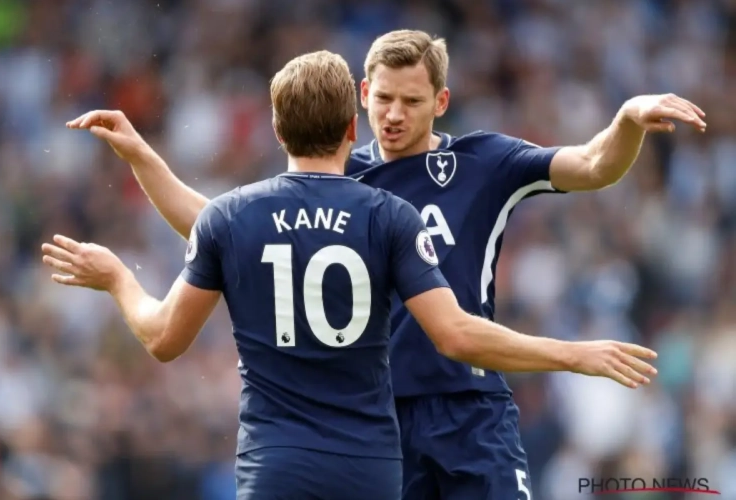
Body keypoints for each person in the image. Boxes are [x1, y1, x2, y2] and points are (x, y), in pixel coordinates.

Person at [61, 29, 690, 499]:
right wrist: (145, 158)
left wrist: (627, 118)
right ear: (361, 94)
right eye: (382, 99)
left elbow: (594, 165)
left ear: (441, 100)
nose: (392, 115)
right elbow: (223, 227)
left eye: (411, 101)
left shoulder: (486, 161)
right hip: (380, 420)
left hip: (469, 407)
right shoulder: (344, 179)